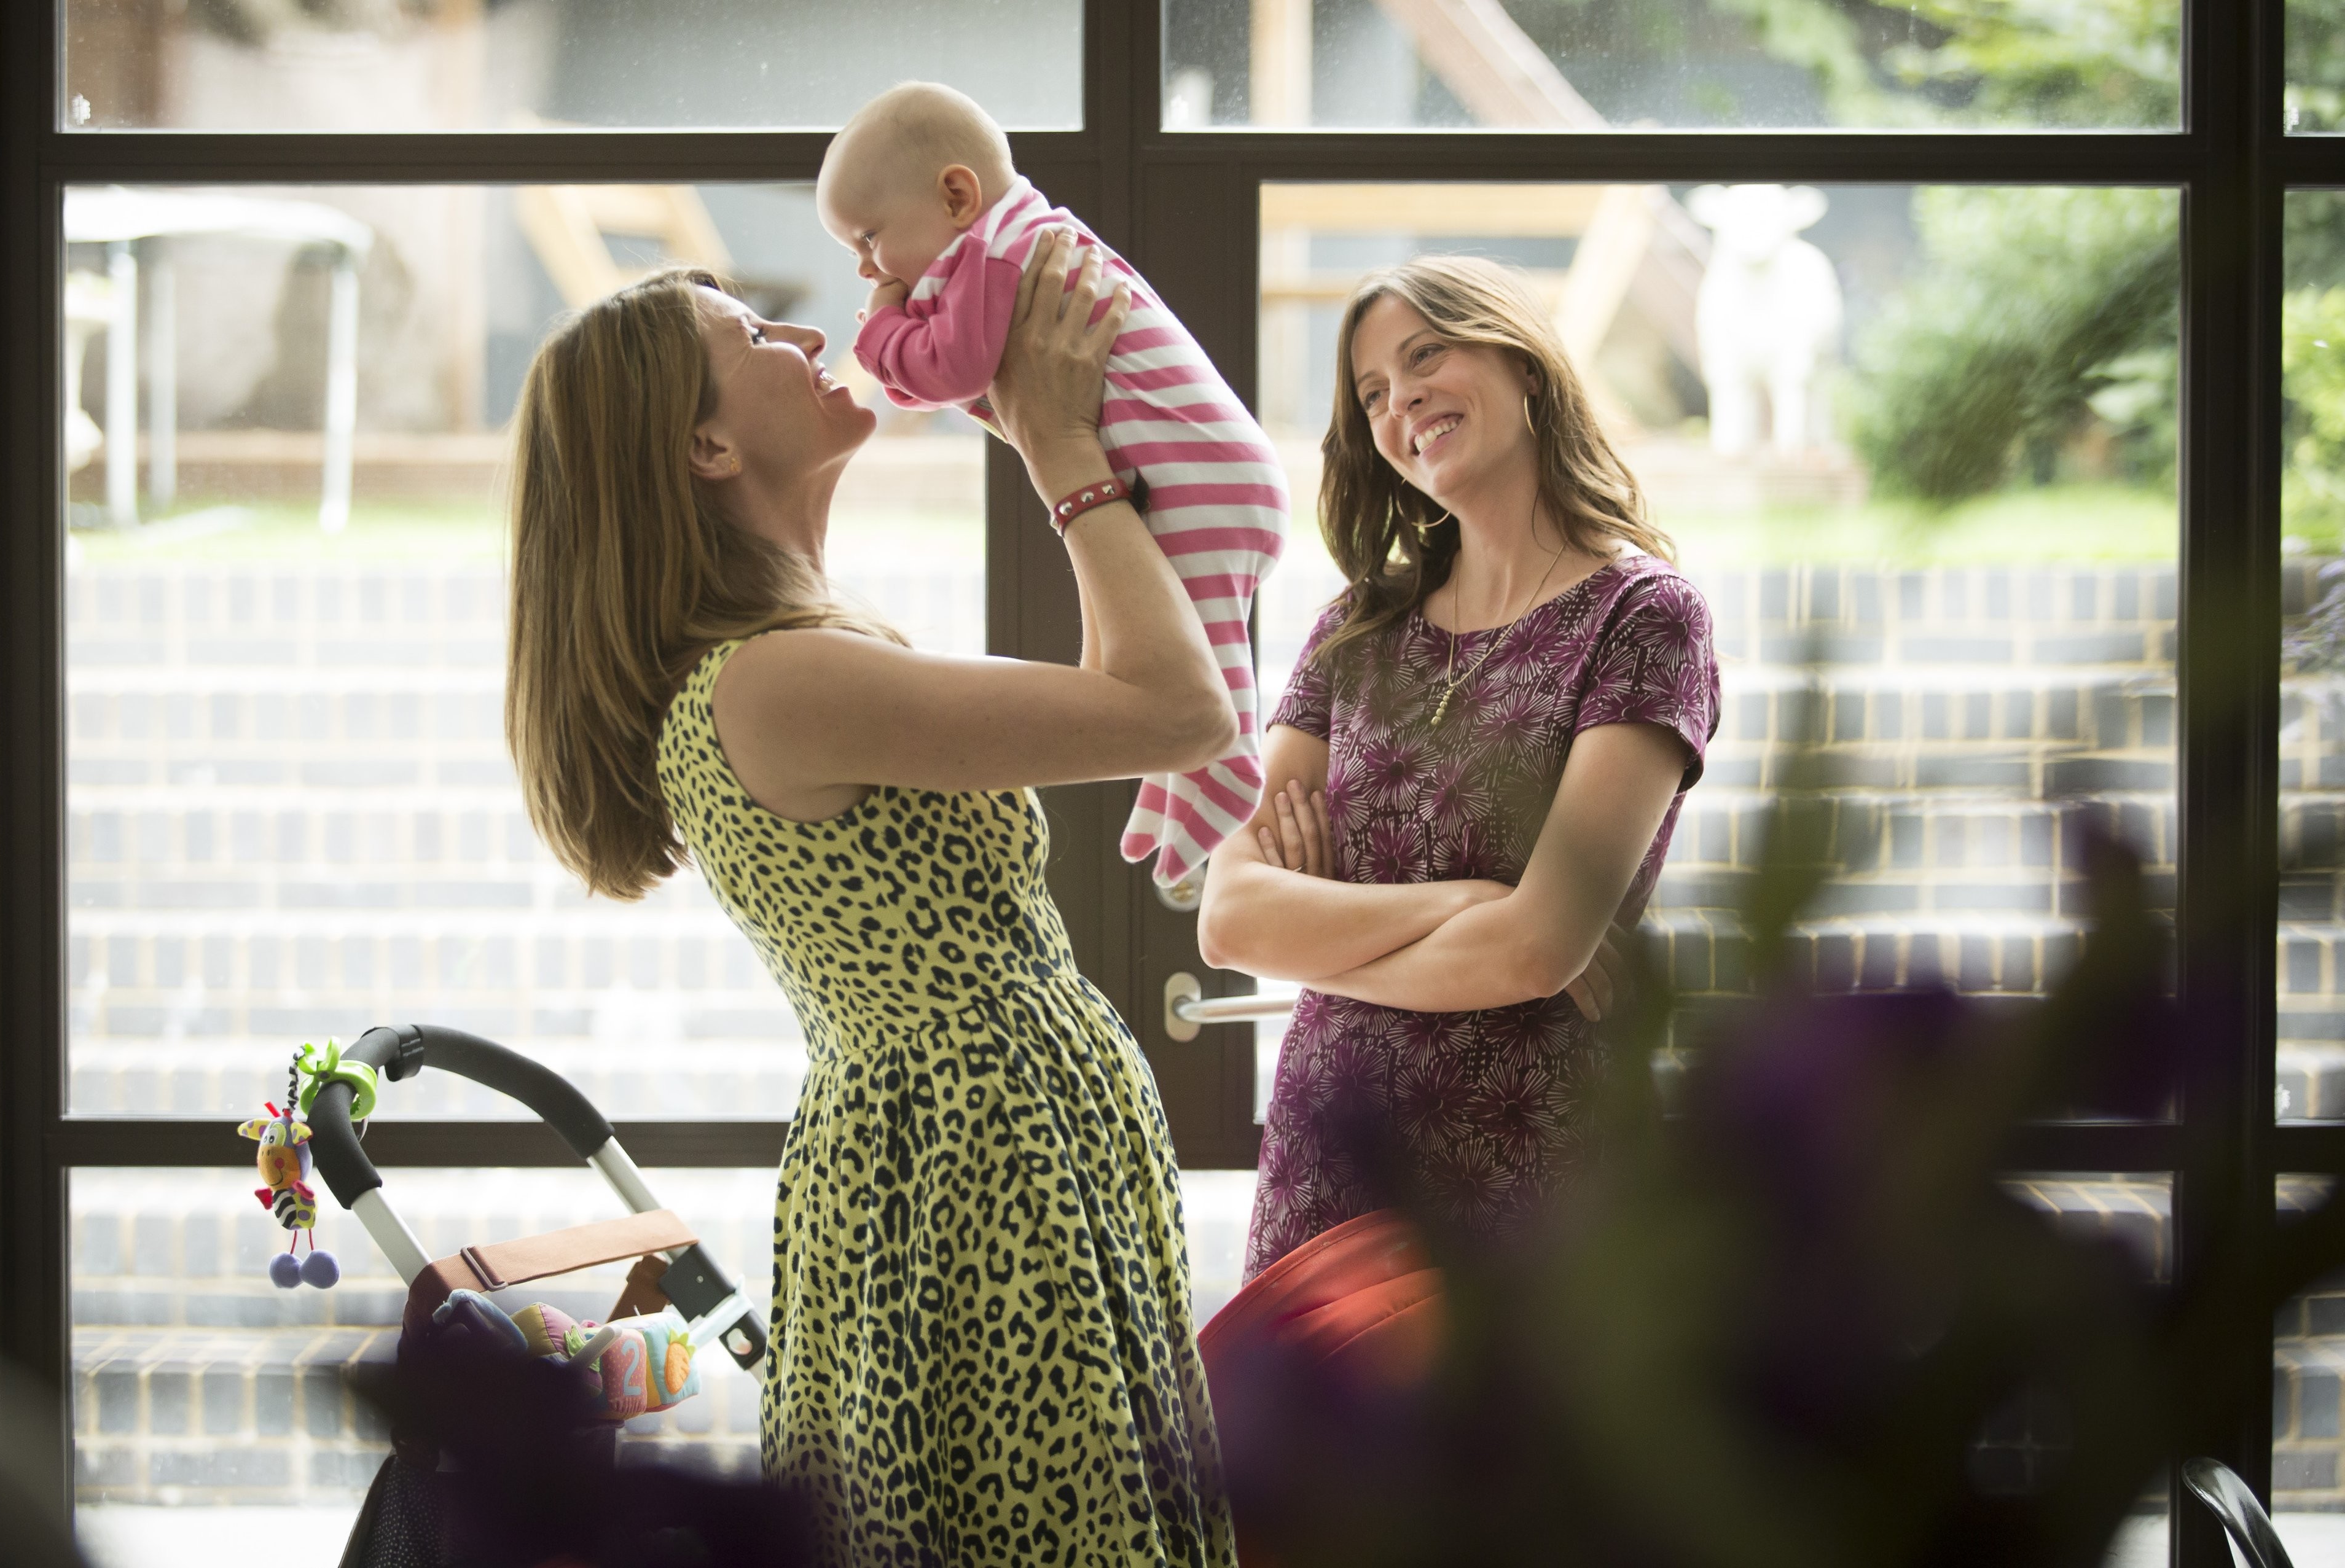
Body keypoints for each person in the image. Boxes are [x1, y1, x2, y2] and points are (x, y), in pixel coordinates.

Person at [503, 232, 1238, 1566]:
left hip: (975, 1146)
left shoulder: (787, 657)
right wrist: (1057, 445)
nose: (803, 337)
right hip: (978, 1165)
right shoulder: (773, 681)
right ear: (708, 449)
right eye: (755, 342)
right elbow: (1177, 708)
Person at [1197, 256, 1721, 1279]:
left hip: (1532, 1179)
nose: (1405, 401)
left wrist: (1327, 944)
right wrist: (1479, 898)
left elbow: (1535, 950)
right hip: (1329, 1168)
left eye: (1427, 354)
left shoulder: (1645, 617)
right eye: (1374, 393)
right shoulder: (1354, 628)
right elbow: (1230, 918)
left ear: (1524, 365)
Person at [818, 80, 1289, 887]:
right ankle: (1177, 779)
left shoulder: (1002, 253)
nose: (866, 267)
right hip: (1199, 469)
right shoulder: (1007, 244)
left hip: (1199, 475)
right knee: (1137, 656)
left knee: (1199, 654)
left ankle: (1227, 769)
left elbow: (953, 368)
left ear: (957, 195)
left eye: (868, 239)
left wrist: (881, 336)